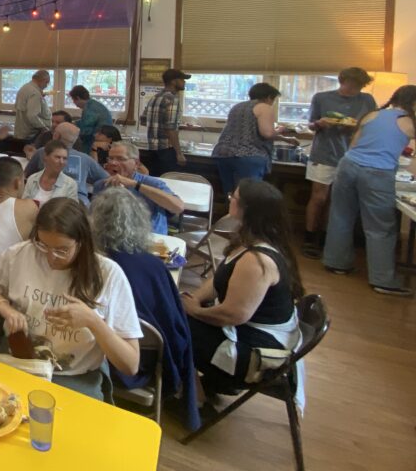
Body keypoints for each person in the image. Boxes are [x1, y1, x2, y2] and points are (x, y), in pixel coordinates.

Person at [0, 198, 142, 401]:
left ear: (82, 241)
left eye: (62, 250)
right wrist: (4, 307)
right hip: (21, 362)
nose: (51, 257)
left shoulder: (108, 274)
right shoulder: (24, 253)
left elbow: (131, 365)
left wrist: (93, 322)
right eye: (43, 245)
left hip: (73, 377)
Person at [183, 180, 304, 401]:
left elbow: (234, 314)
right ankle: (197, 385)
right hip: (249, 334)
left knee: (174, 324)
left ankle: (194, 398)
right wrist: (195, 298)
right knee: (178, 312)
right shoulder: (253, 241)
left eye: (234, 198)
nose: (230, 200)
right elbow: (220, 277)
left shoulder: (256, 260)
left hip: (256, 354)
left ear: (247, 210)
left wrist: (194, 311)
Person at [89, 188, 199, 430]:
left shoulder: (91, 264)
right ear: (139, 221)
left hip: (100, 354)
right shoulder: (153, 266)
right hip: (145, 357)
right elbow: (174, 323)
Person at [323, 84, 416, 296]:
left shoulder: (372, 115)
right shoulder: (409, 121)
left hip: (347, 166)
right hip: (377, 172)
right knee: (380, 226)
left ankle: (336, 263)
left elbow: (353, 146)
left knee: (340, 216)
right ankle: (383, 280)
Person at [302, 67, 378, 258]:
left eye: (358, 87)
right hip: (324, 154)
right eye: (350, 85)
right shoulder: (321, 97)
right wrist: (320, 124)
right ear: (341, 81)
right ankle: (309, 238)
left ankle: (329, 239)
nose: (353, 90)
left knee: (338, 201)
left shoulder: (367, 100)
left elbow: (373, 124)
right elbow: (311, 124)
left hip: (353, 155)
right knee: (319, 198)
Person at [212, 82, 299, 195]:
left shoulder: (238, 106)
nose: (272, 103)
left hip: (223, 154)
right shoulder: (264, 107)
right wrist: (280, 129)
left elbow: (248, 131)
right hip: (248, 156)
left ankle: (231, 212)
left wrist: (285, 139)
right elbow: (267, 133)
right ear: (268, 97)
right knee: (249, 196)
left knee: (231, 194)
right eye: (274, 100)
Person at [93, 142, 184, 234]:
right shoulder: (101, 185)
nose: (113, 163)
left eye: (121, 159)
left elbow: (178, 207)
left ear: (136, 163)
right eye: (111, 158)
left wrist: (135, 185)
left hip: (150, 238)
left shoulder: (151, 183)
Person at [24, 122, 109, 204]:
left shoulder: (42, 152)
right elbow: (108, 179)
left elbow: (27, 175)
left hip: (48, 201)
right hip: (79, 204)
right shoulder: (85, 159)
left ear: (56, 136)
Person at [140, 68, 190, 177]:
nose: (184, 82)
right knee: (169, 181)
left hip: (152, 148)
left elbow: (143, 120)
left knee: (155, 181)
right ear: (173, 81)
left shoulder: (155, 97)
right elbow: (170, 128)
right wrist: (179, 153)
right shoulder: (172, 99)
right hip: (166, 150)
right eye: (182, 79)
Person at [24, 140, 81, 204]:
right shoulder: (32, 179)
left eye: (64, 158)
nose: (61, 162)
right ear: (45, 157)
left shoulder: (70, 185)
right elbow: (23, 204)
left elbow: (72, 211)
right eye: (57, 157)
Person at [69, 85, 114, 151]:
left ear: (77, 98)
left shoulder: (89, 108)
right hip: (104, 137)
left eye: (73, 100)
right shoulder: (93, 104)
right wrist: (75, 123)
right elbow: (88, 121)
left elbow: (85, 131)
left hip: (98, 140)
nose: (74, 103)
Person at [13, 69, 52, 143]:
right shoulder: (35, 93)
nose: (46, 86)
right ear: (43, 80)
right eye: (47, 82)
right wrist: (44, 129)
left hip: (22, 133)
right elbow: (32, 116)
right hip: (31, 135)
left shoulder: (25, 87)